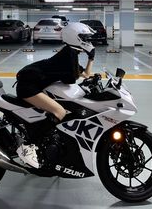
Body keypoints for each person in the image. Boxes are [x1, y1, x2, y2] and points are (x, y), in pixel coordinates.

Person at [16, 22, 95, 168]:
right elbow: (73, 78)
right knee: (59, 111)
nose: (88, 41)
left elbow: (85, 74)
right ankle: (28, 146)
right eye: (86, 38)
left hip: (35, 84)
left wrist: (91, 58)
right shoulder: (68, 55)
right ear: (76, 38)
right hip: (29, 87)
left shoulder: (71, 52)